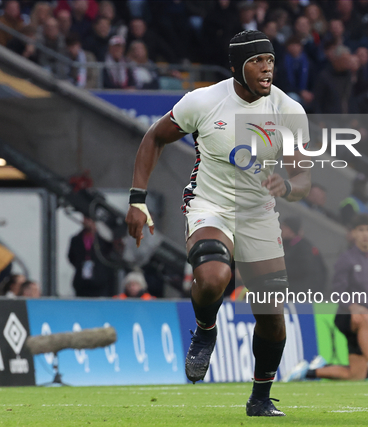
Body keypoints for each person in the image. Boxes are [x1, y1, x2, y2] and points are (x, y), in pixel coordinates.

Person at [125, 30, 312, 417]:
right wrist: (137, 199)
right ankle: (206, 330)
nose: (267, 69)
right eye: (257, 61)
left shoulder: (289, 111)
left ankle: (260, 398)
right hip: (209, 205)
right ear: (237, 67)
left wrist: (290, 185)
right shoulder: (204, 101)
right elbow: (154, 137)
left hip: (259, 214)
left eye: (271, 60)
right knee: (213, 277)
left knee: (273, 319)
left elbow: (304, 180)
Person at [284, 214, 368, 382]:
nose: (365, 234)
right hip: (347, 317)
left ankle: (309, 372)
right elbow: (338, 290)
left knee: (356, 375)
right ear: (354, 234)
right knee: (365, 317)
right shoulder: (346, 258)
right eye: (360, 230)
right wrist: (352, 306)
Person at [68, 216, 117, 297]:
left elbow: (111, 253)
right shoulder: (76, 239)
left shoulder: (102, 239)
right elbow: (71, 257)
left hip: (99, 280)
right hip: (82, 282)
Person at [280, 217, 327, 295]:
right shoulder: (286, 244)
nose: (281, 230)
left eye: (283, 227)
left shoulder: (303, 248)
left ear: (290, 230)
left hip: (301, 293)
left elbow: (303, 270)